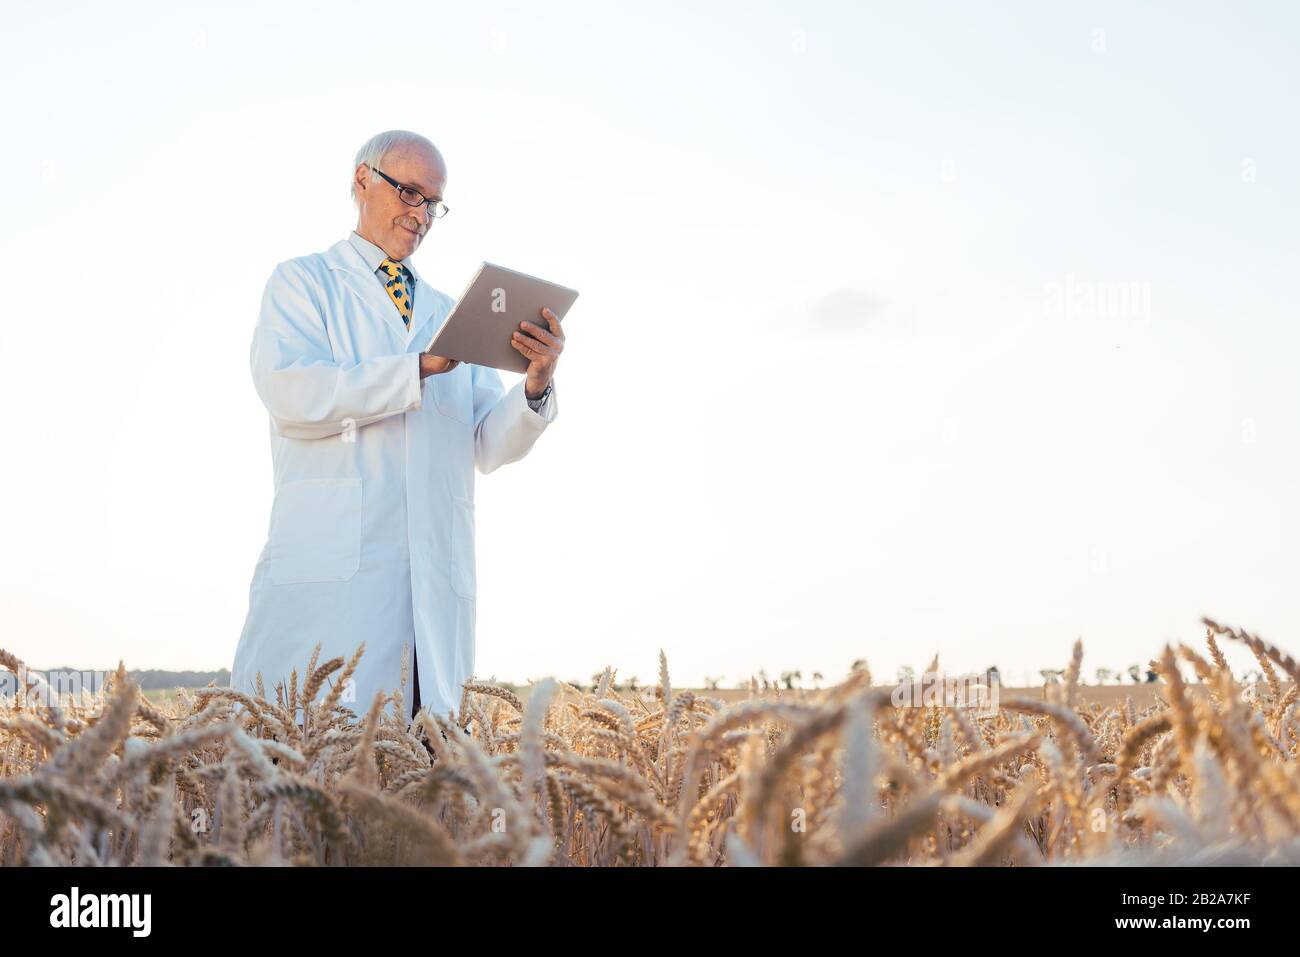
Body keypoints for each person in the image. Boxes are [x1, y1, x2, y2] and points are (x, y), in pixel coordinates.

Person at [230, 130, 565, 729]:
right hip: (331, 589)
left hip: (431, 594)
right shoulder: (303, 284)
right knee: (308, 770)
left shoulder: (448, 312)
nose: (422, 215)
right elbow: (292, 394)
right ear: (362, 180)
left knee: (424, 786)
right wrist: (414, 369)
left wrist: (536, 384)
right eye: (409, 193)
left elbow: (486, 443)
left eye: (433, 203)